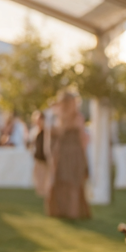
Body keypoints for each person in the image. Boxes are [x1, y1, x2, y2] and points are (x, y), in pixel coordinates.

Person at [46, 91, 91, 220]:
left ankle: (73, 211)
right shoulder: (57, 117)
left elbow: (82, 137)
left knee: (74, 181)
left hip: (74, 153)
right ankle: (61, 211)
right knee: (62, 180)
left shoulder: (77, 117)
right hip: (63, 153)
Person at [31, 110, 49, 197]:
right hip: (38, 158)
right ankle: (41, 193)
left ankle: (45, 193)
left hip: (45, 158)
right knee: (38, 176)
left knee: (44, 176)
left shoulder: (47, 132)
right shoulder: (36, 132)